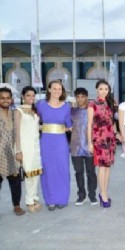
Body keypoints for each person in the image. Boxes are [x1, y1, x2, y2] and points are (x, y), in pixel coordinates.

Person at [37, 80, 72, 211]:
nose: (57, 91)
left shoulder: (67, 106)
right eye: (54, 88)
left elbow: (70, 125)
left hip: (60, 142)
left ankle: (62, 199)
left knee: (61, 169)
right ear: (49, 90)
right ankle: (50, 200)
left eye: (60, 89)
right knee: (47, 170)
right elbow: (34, 119)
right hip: (46, 142)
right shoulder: (40, 105)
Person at [88, 80, 118, 208]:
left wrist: (117, 135)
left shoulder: (109, 103)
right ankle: (102, 194)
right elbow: (89, 124)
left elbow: (112, 123)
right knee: (101, 167)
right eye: (101, 89)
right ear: (96, 89)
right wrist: (89, 142)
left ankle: (105, 191)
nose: (104, 91)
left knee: (107, 167)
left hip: (110, 139)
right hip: (99, 139)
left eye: (106, 89)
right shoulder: (92, 104)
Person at [14, 86, 43, 213]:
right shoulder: (18, 111)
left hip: (36, 146)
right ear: (22, 97)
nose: (31, 98)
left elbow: (37, 128)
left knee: (36, 173)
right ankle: (29, 200)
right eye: (28, 95)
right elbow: (16, 132)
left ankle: (35, 197)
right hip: (25, 147)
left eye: (33, 95)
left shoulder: (34, 111)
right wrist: (18, 150)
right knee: (28, 174)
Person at [0, 87, 25, 216]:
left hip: (12, 152)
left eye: (7, 98)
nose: (5, 100)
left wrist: (19, 150)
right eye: (2, 98)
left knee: (15, 181)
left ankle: (17, 205)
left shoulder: (14, 114)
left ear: (11, 99)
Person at [71, 87, 97, 206]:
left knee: (91, 171)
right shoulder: (71, 111)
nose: (80, 99)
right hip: (75, 146)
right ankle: (81, 195)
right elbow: (66, 124)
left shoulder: (92, 110)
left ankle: (92, 195)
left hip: (90, 146)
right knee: (79, 171)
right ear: (75, 98)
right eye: (78, 97)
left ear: (87, 97)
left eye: (83, 96)